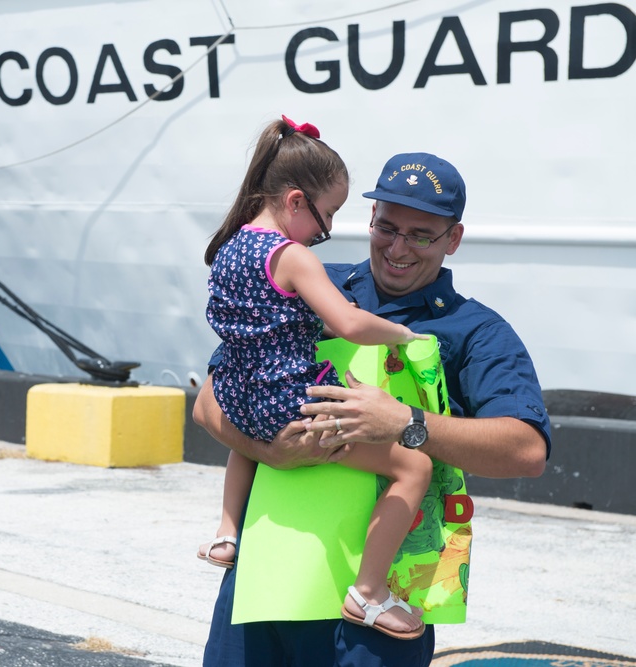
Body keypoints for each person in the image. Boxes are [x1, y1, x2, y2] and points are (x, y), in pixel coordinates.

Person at [194, 150, 552, 667]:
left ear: (454, 238)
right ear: (370, 220)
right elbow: (210, 402)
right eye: (387, 227)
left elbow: (527, 451)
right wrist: (273, 450)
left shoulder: (476, 332)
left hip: (376, 622)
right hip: (266, 582)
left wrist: (408, 423)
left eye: (421, 234)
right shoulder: (312, 284)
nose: (398, 247)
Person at [196, 115, 431, 640]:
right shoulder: (293, 255)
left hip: (242, 394)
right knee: (413, 466)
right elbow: (347, 323)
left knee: (246, 444)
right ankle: (368, 594)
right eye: (327, 217)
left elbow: (267, 319)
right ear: (297, 201)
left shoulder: (231, 247)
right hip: (293, 405)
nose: (326, 232)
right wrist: (398, 334)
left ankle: (227, 532)